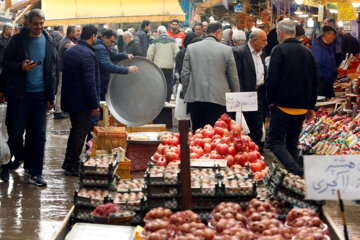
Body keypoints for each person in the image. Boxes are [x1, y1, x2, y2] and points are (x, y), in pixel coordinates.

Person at [0, 9, 58, 185]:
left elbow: (52, 70)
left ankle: (35, 172)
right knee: (16, 133)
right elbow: (6, 64)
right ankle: (8, 163)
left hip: (40, 96)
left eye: (42, 23)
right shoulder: (18, 40)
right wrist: (20, 67)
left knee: (39, 134)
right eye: (36, 23)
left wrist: (51, 95)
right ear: (28, 23)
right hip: (20, 95)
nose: (39, 27)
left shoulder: (49, 40)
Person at [266, 20, 318, 177]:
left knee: (274, 142)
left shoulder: (279, 50)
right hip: (301, 108)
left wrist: (270, 100)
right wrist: (310, 106)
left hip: (282, 106)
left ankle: (297, 172)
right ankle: (298, 181)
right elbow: (315, 81)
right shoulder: (307, 52)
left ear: (280, 33)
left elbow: (272, 78)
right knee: (291, 145)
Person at [181, 21, 240, 131]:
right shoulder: (227, 50)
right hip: (219, 100)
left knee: (198, 134)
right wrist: (236, 99)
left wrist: (187, 94)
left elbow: (185, 74)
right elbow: (233, 77)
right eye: (221, 34)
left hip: (196, 99)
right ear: (218, 32)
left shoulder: (191, 48)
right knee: (216, 135)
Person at [61, 24, 100, 176]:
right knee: (79, 133)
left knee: (75, 131)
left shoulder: (72, 50)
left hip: (71, 100)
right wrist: (94, 104)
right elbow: (89, 83)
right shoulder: (87, 54)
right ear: (93, 36)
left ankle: (68, 162)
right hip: (82, 102)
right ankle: (72, 164)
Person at [233, 29, 267, 150]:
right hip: (245, 95)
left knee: (258, 126)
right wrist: (240, 95)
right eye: (263, 40)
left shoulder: (262, 53)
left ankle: (256, 151)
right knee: (244, 125)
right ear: (254, 40)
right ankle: (244, 151)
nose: (266, 43)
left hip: (259, 94)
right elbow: (237, 76)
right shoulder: (240, 52)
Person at [94, 29, 138, 101]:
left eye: (114, 42)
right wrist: (127, 69)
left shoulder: (103, 46)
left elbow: (113, 55)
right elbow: (107, 66)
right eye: (111, 41)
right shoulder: (100, 48)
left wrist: (125, 55)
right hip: (100, 82)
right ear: (104, 38)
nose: (112, 44)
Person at [55, 24, 81, 119]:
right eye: (77, 31)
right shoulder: (67, 42)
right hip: (62, 69)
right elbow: (75, 54)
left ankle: (61, 109)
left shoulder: (68, 41)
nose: (79, 33)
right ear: (71, 33)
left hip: (63, 68)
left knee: (62, 90)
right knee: (60, 90)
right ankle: (58, 111)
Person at [147, 26, 179, 102]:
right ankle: (167, 100)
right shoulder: (173, 40)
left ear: (158, 32)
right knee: (168, 83)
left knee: (159, 83)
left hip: (158, 67)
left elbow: (150, 54)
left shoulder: (155, 41)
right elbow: (177, 54)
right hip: (169, 66)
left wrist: (149, 62)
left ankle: (159, 100)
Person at [311, 26, 337, 98]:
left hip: (328, 82)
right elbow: (317, 66)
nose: (334, 37)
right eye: (333, 35)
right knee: (322, 105)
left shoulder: (328, 46)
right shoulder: (317, 47)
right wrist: (327, 76)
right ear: (326, 35)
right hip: (321, 83)